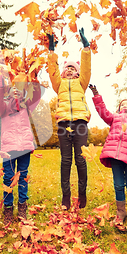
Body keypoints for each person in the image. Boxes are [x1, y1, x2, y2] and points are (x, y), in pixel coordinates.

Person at [89, 84, 127, 226]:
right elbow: (102, 111)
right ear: (118, 108)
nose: (125, 105)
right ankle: (121, 211)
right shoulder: (114, 118)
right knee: (118, 185)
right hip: (115, 156)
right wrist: (96, 95)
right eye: (122, 104)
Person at [46, 28, 91, 210]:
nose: (70, 70)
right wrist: (51, 51)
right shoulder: (59, 84)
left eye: (73, 68)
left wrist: (86, 47)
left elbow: (87, 68)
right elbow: (52, 71)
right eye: (68, 68)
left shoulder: (82, 83)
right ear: (63, 73)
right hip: (64, 123)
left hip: (80, 123)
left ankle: (82, 194)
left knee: (80, 160)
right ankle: (66, 197)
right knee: (66, 160)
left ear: (78, 72)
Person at [0, 69, 41, 225]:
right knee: (8, 177)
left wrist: (34, 77)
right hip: (9, 148)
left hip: (25, 147)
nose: (17, 92)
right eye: (14, 89)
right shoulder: (4, 108)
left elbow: (37, 95)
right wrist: (0, 78)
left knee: (23, 177)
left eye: (20, 90)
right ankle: (8, 209)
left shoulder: (27, 107)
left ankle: (22, 208)